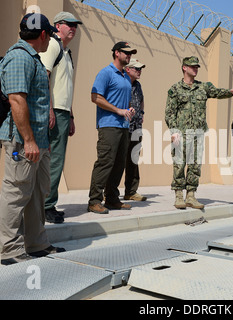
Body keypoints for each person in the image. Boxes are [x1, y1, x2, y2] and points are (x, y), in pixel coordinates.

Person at [0, 13, 65, 265]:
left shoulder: (33, 58)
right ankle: (11, 250)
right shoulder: (19, 57)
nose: (50, 41)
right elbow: (16, 100)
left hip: (38, 140)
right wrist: (30, 141)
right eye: (50, 36)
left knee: (37, 192)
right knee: (16, 192)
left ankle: (36, 243)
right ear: (43, 34)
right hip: (23, 142)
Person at [165, 56, 233, 209]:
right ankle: (179, 196)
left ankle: (191, 196)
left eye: (197, 67)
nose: (195, 69)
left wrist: (231, 92)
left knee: (195, 166)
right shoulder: (175, 89)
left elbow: (217, 92)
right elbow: (169, 113)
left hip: (197, 134)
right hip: (180, 134)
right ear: (184, 68)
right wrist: (174, 131)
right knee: (179, 165)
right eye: (192, 66)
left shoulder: (203, 87)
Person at [39, 12, 83, 224]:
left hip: (63, 112)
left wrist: (71, 115)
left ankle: (49, 203)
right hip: (53, 110)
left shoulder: (66, 52)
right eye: (70, 25)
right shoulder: (53, 46)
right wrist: (48, 110)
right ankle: (46, 206)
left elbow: (66, 87)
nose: (73, 28)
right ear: (57, 26)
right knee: (53, 160)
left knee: (57, 159)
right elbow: (44, 77)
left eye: (76, 25)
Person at [87, 41, 137, 214]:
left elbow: (124, 99)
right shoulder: (106, 73)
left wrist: (128, 108)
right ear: (116, 53)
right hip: (109, 125)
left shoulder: (125, 76)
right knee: (105, 162)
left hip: (123, 126)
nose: (129, 55)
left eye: (130, 53)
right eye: (126, 52)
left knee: (119, 164)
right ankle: (94, 201)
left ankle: (112, 199)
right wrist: (117, 110)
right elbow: (95, 97)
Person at [123, 58, 147, 202]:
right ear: (128, 69)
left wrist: (142, 114)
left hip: (136, 127)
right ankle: (109, 192)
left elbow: (142, 100)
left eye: (140, 69)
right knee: (117, 160)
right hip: (123, 126)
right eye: (136, 68)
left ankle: (131, 191)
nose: (139, 71)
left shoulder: (137, 85)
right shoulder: (121, 82)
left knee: (133, 159)